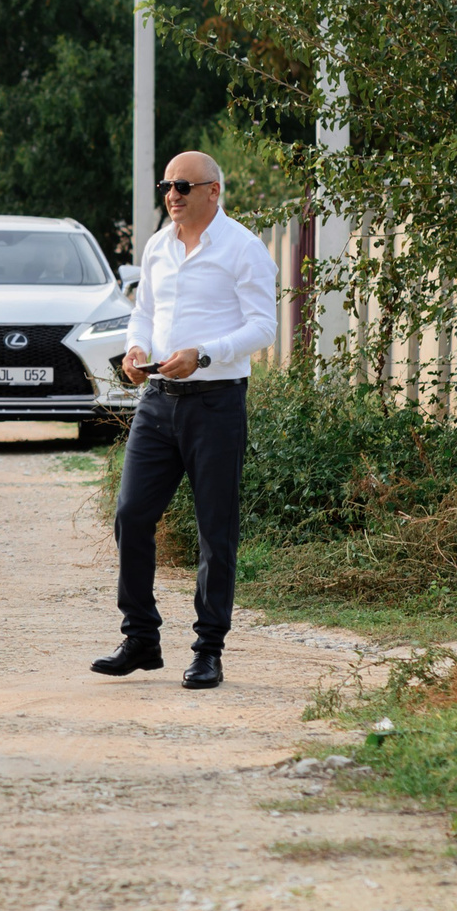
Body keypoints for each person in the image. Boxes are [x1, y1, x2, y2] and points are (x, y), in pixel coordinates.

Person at [94, 151, 280, 692]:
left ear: (213, 191)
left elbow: (263, 327)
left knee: (214, 529)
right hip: (157, 400)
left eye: (182, 185)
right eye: (166, 185)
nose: (171, 194)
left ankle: (209, 649)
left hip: (216, 402)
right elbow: (145, 311)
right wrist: (135, 347)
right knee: (131, 514)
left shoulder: (243, 248)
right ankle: (141, 638)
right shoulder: (157, 244)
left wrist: (204, 354)